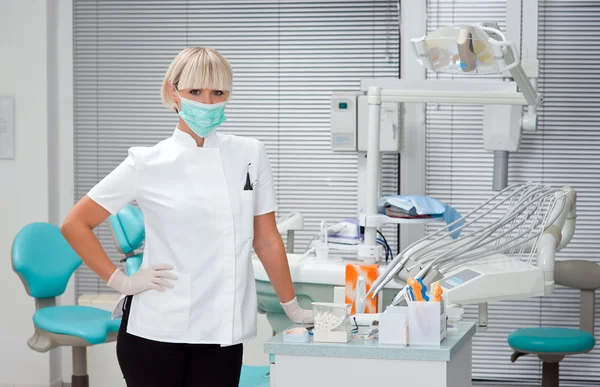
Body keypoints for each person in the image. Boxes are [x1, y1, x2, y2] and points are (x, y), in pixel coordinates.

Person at [61, 47, 313, 387]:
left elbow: (266, 240)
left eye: (217, 92)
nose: (207, 102)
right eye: (195, 91)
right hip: (156, 331)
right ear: (173, 92)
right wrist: (121, 282)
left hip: (221, 335)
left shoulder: (249, 153)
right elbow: (75, 224)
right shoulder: (147, 162)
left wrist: (292, 307)